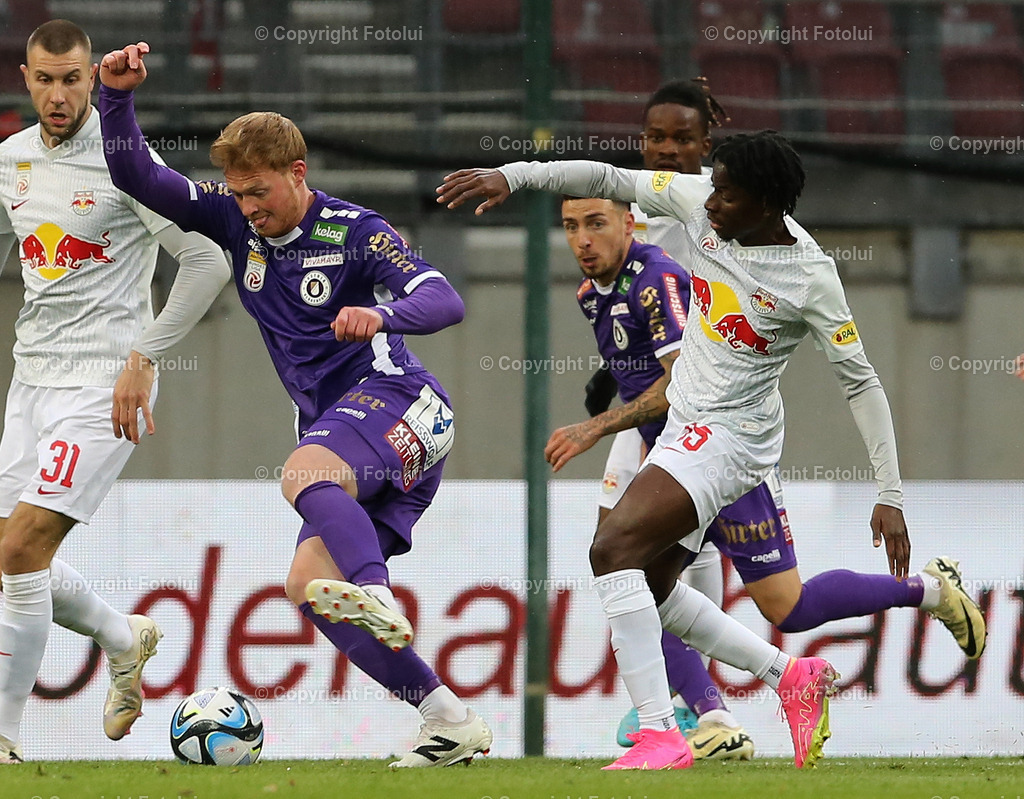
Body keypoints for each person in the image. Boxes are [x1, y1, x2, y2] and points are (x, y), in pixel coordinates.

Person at [436, 132, 983, 770]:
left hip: (733, 440)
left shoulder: (810, 277)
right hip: (686, 428)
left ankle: (663, 734)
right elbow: (608, 178)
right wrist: (515, 175)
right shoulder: (700, 202)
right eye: (714, 186)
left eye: (729, 193)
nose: (713, 202)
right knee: (669, 586)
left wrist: (889, 494)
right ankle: (790, 676)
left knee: (611, 551)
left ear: (769, 201)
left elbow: (860, 381)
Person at [98, 41, 492, 768]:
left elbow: (446, 298)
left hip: (402, 402)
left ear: (297, 173)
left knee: (303, 472)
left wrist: (384, 315)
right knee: (307, 585)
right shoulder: (235, 224)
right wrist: (114, 98)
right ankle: (447, 718)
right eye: (239, 194)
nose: (250, 208)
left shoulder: (355, 230)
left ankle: (374, 590)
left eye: (261, 193)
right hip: (361, 441)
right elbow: (138, 174)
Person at [0, 20, 232, 764]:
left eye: (73, 78)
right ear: (26, 77)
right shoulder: (10, 162)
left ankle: (3, 735)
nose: (60, 94)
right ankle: (120, 634)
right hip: (30, 379)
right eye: (46, 79)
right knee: (7, 555)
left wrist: (144, 354)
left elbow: (205, 262)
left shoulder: (124, 158)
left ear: (92, 75)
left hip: (106, 383)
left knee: (21, 544)